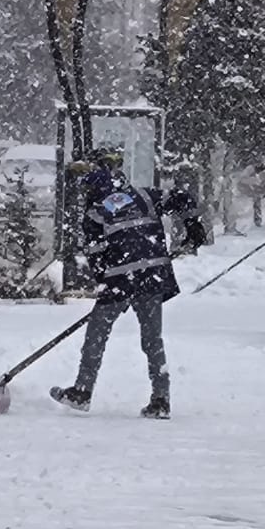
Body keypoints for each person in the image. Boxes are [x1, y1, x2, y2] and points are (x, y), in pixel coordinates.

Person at [51, 159, 193, 419]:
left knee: (97, 333)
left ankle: (82, 391)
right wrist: (194, 227)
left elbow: (97, 258)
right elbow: (183, 199)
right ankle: (161, 398)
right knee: (153, 340)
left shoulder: (95, 213)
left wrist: (111, 288)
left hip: (121, 278)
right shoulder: (144, 195)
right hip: (153, 274)